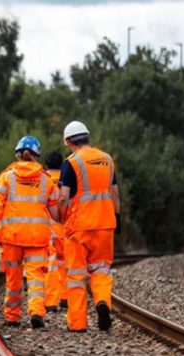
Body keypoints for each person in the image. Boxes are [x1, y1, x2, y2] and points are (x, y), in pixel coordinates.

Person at [0, 136, 60, 329]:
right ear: (36, 156)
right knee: (36, 277)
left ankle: (12, 317)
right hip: (37, 238)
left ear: (17, 155)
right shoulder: (46, 180)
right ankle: (36, 312)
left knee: (13, 277)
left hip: (12, 237)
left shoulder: (7, 177)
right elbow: (55, 212)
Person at [58, 121, 121, 332]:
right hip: (105, 224)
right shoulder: (108, 160)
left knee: (76, 276)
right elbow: (114, 194)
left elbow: (64, 196)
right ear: (87, 136)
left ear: (68, 142)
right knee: (102, 269)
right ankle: (102, 301)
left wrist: (61, 216)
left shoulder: (71, 162)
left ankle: (77, 323)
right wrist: (117, 217)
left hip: (79, 226)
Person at [43, 151, 67, 313]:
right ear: (62, 164)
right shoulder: (67, 179)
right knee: (66, 263)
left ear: (46, 164)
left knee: (50, 265)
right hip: (65, 228)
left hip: (47, 229)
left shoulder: (42, 180)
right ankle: (66, 297)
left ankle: (51, 301)